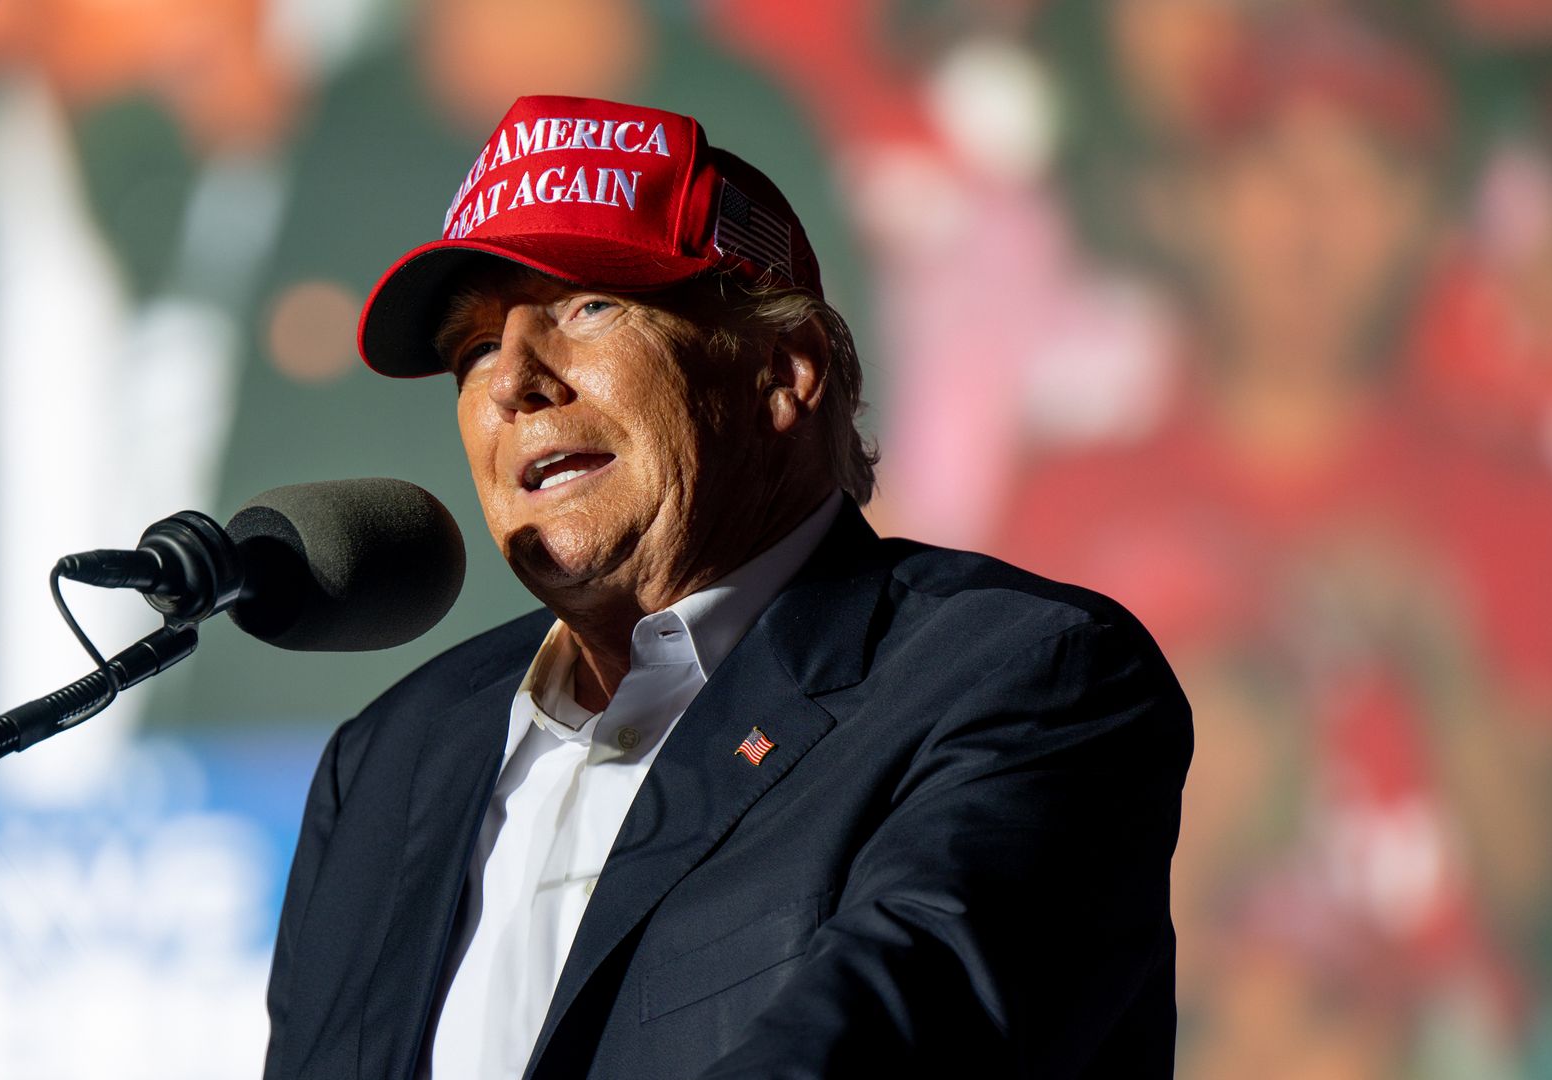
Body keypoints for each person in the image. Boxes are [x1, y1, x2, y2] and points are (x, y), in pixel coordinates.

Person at [258, 95, 1190, 1080]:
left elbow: (886, 1046)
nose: (512, 383)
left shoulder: (1018, 681)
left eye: (589, 306)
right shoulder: (391, 758)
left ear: (785, 371)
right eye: (476, 346)